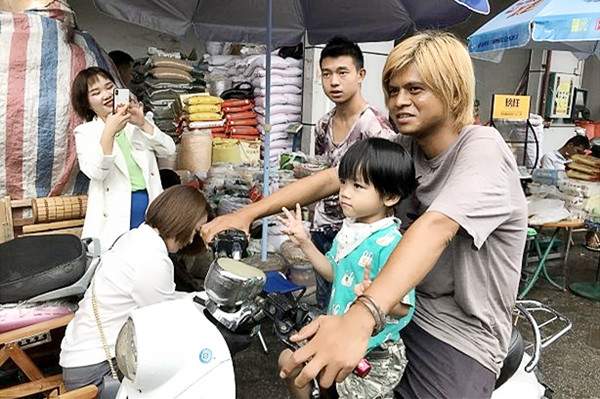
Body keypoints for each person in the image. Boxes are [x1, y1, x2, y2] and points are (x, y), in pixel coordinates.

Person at [202, 31, 527, 398]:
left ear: (452, 90)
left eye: (415, 90)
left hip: (458, 335)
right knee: (301, 371)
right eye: (392, 90)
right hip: (398, 312)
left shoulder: (483, 149)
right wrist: (248, 214)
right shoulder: (403, 146)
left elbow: (435, 227)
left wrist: (362, 315)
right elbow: (331, 178)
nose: (399, 101)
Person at [277, 138, 416, 399]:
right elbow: (333, 272)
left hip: (373, 350)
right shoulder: (350, 230)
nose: (344, 192)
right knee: (290, 363)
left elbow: (404, 307)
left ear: (390, 196)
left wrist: (375, 296)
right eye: (343, 182)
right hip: (337, 334)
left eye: (358, 186)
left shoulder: (391, 243)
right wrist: (305, 243)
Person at [60, 185, 209, 395]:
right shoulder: (153, 258)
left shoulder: (136, 238)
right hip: (97, 371)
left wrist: (198, 297)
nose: (193, 239)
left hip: (81, 359)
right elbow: (166, 318)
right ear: (182, 221)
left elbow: (158, 296)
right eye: (194, 230)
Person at [309, 36, 397, 310]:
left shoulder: (375, 128)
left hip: (359, 235)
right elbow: (324, 173)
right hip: (323, 228)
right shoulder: (323, 124)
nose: (334, 82)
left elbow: (385, 182)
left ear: (361, 75)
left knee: (354, 304)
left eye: (342, 72)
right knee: (327, 302)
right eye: (326, 74)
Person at [71, 67, 175, 250]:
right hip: (115, 214)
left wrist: (143, 123)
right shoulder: (85, 133)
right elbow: (97, 172)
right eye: (96, 92)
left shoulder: (137, 122)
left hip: (150, 206)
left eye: (109, 87)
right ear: (86, 103)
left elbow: (169, 150)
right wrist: (109, 132)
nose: (106, 95)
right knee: (118, 263)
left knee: (149, 260)